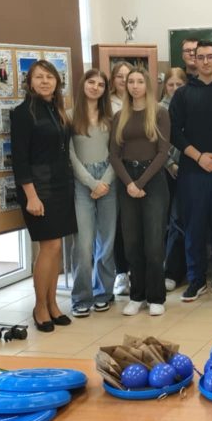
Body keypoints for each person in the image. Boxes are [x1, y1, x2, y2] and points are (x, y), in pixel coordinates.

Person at [169, 40, 212, 301]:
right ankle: (196, 279)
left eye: (210, 56)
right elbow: (174, 132)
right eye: (201, 57)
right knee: (194, 226)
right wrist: (199, 157)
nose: (206, 61)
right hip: (193, 170)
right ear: (194, 61)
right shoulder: (183, 94)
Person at [10, 60, 77, 332]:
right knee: (48, 247)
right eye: (39, 77)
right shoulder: (23, 113)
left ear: (57, 81)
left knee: (56, 247)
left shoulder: (56, 109)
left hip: (61, 185)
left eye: (49, 77)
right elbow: (20, 160)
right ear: (30, 82)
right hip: (38, 188)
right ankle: (39, 307)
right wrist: (31, 196)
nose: (45, 81)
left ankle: (52, 304)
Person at [109, 68, 171, 316]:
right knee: (132, 242)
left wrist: (141, 183)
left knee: (153, 243)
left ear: (147, 85)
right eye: (130, 82)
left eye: (139, 81)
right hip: (127, 180)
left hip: (152, 180)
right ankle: (137, 296)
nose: (134, 86)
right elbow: (114, 155)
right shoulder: (119, 116)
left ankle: (156, 297)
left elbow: (163, 153)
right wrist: (129, 183)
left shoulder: (160, 112)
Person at [68, 69, 117, 318]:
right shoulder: (69, 116)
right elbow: (70, 155)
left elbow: (117, 152)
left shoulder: (111, 118)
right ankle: (81, 297)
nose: (95, 87)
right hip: (81, 182)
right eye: (91, 82)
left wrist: (104, 182)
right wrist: (90, 183)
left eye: (101, 84)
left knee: (106, 241)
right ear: (83, 84)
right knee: (84, 243)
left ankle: (104, 293)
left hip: (108, 180)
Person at [159, 67, 187, 293]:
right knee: (167, 221)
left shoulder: (189, 105)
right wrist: (170, 164)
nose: (175, 88)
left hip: (188, 169)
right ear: (165, 87)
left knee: (181, 220)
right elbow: (157, 141)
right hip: (164, 171)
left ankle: (178, 270)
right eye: (171, 85)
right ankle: (167, 270)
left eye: (179, 84)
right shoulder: (159, 109)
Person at [108, 61, 135, 297]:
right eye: (120, 76)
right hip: (112, 170)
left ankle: (137, 270)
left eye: (129, 76)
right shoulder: (107, 104)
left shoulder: (143, 103)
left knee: (134, 222)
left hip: (137, 170)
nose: (125, 81)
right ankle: (121, 272)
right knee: (117, 223)